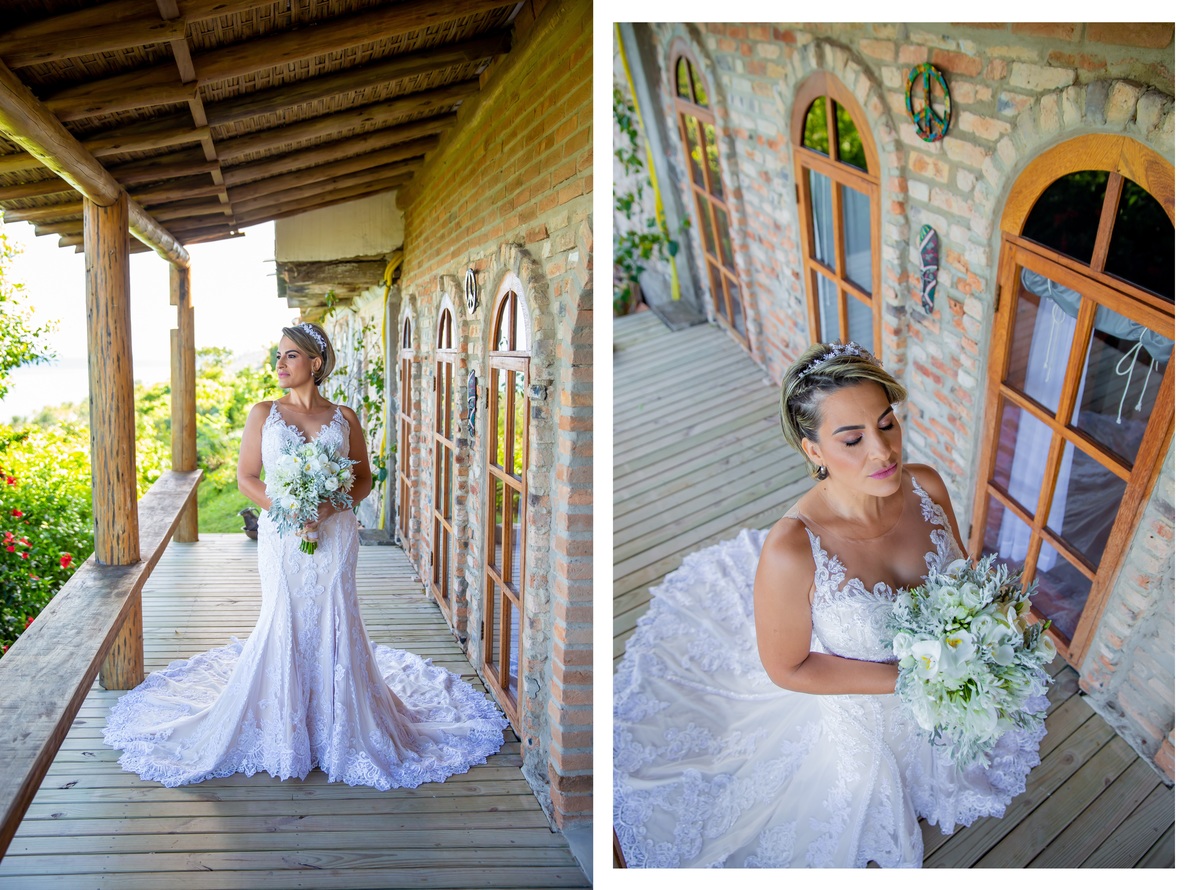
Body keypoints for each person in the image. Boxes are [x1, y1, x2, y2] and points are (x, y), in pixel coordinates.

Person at [613, 341, 1046, 868]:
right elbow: (788, 667)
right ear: (813, 450)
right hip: (860, 722)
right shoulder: (792, 550)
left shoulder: (927, 485)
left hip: (950, 700)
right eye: (851, 439)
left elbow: (967, 579)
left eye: (887, 424)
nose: (882, 452)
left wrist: (995, 624)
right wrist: (918, 681)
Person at [104, 322, 507, 789]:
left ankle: (341, 726)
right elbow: (248, 479)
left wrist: (330, 506)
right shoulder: (263, 414)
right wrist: (292, 509)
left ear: (315, 363)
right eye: (278, 356)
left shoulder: (345, 417)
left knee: (336, 613)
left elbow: (363, 480)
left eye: (290, 356)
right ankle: (284, 727)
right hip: (283, 535)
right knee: (285, 614)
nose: (279, 364)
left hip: (335, 536)